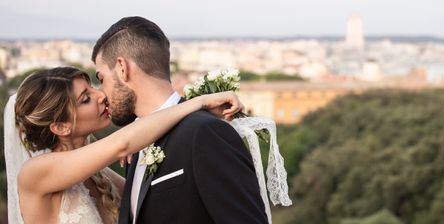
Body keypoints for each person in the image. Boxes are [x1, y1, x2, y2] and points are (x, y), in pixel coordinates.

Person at [5, 66, 244, 224]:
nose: (100, 96)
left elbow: (150, 202)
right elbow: (122, 143)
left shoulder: (101, 175)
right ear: (61, 127)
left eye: (92, 88)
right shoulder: (35, 173)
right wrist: (198, 104)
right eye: (85, 99)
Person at [92, 16, 269, 224]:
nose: (101, 94)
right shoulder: (135, 146)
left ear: (122, 68)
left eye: (101, 79)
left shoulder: (205, 132)